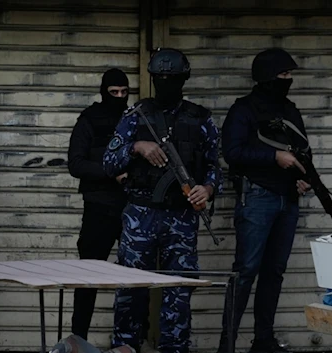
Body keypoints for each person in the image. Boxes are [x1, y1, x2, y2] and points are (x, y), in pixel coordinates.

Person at [102, 48, 222, 353]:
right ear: (153, 79)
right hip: (140, 214)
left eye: (173, 78)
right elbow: (108, 162)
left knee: (178, 292)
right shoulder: (136, 116)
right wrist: (136, 147)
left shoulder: (201, 119)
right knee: (130, 289)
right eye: (161, 78)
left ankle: (174, 348)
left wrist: (207, 189)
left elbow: (213, 166)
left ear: (184, 79)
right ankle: (126, 347)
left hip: (181, 217)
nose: (166, 83)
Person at [218, 48, 312, 353]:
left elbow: (302, 150)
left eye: (289, 75)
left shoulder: (290, 110)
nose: (288, 80)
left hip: (288, 200)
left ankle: (263, 340)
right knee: (245, 271)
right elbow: (232, 152)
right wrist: (274, 156)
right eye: (283, 75)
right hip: (257, 197)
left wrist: (304, 176)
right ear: (267, 77)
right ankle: (227, 345)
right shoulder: (243, 110)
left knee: (274, 272)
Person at [67, 68, 130, 340]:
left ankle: (128, 340)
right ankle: (78, 340)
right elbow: (76, 163)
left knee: (133, 282)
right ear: (104, 92)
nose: (118, 97)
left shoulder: (134, 119)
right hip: (98, 209)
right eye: (113, 93)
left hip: (132, 209)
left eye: (124, 93)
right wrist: (110, 172)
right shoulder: (89, 120)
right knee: (87, 280)